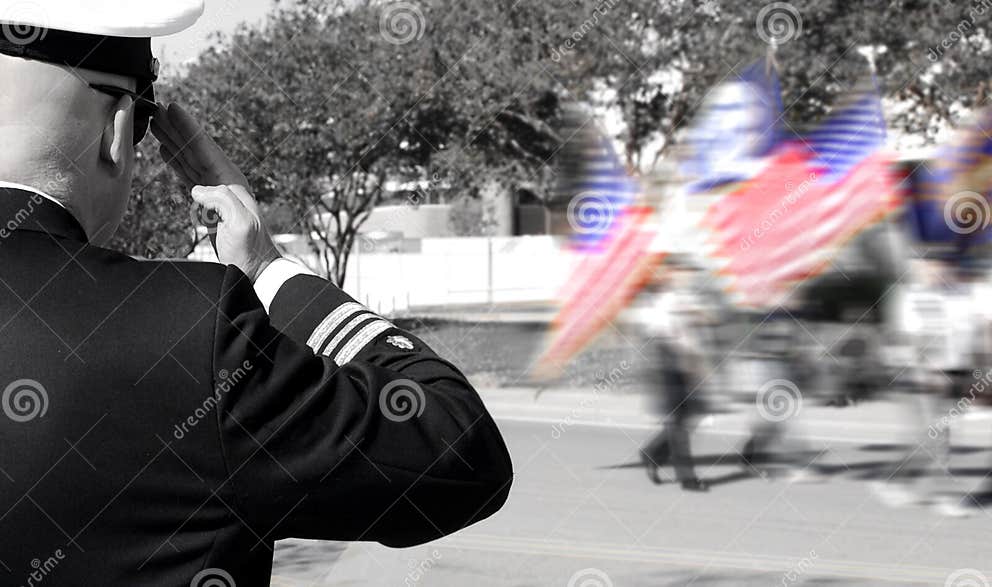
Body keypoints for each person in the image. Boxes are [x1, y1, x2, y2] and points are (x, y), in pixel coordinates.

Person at [0, 4, 512, 586]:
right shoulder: (185, 336)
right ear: (118, 132)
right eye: (142, 123)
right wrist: (268, 269)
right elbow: (459, 451)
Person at [639, 259, 710, 492]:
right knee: (680, 422)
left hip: (686, 363)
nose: (686, 276)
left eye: (686, 271)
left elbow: (697, 326)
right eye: (680, 271)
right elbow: (663, 332)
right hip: (669, 365)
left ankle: (652, 453)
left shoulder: (681, 296)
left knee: (690, 417)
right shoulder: (659, 300)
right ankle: (687, 478)